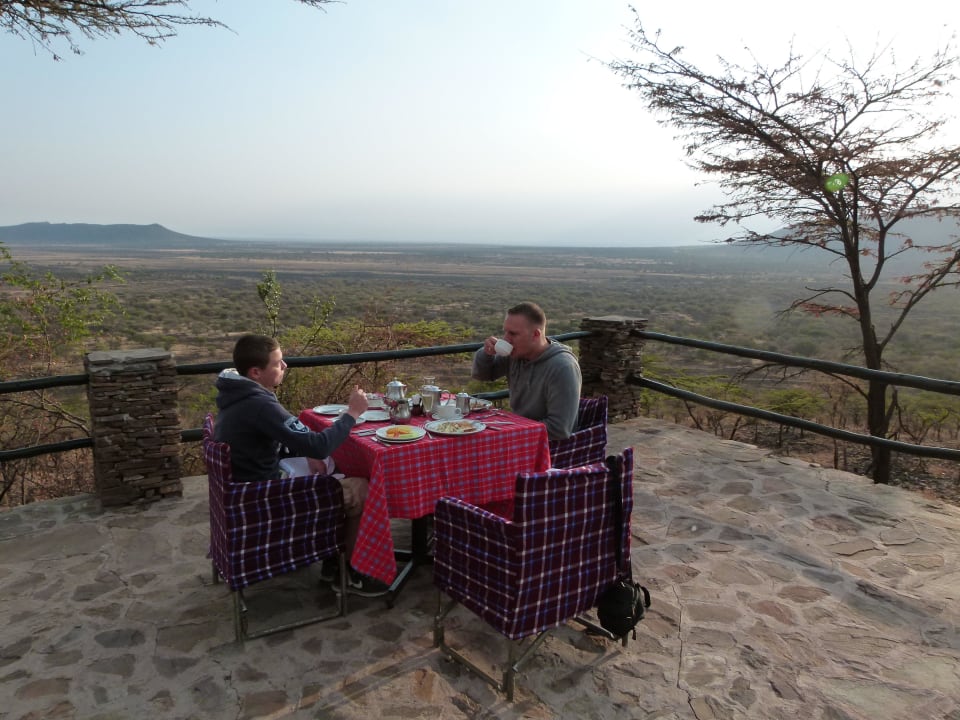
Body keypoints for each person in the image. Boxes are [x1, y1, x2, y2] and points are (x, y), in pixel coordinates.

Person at [213, 333, 387, 597]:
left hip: (245, 491)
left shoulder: (239, 395)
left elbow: (280, 438)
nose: (285, 367)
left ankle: (332, 560)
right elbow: (318, 445)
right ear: (256, 372)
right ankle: (349, 573)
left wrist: (303, 451)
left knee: (336, 469)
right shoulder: (258, 403)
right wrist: (352, 413)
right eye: (278, 363)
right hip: (264, 500)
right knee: (359, 486)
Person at [472, 301, 581, 441]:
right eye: (505, 332)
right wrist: (486, 354)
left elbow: (559, 429)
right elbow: (483, 375)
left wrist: (510, 433)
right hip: (519, 432)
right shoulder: (517, 354)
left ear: (535, 334)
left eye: (513, 334)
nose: (506, 339)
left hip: (547, 447)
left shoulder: (563, 367)